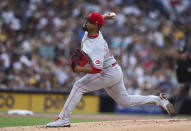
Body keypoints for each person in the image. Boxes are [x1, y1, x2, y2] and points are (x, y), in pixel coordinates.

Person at [46, 12, 174, 127]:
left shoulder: (96, 45)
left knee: (78, 86)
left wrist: (80, 68)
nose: (86, 22)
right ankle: (158, 100)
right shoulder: (91, 30)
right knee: (125, 101)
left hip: (107, 72)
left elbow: (97, 69)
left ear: (95, 26)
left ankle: (63, 119)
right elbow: (96, 21)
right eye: (87, 20)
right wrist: (104, 16)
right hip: (114, 70)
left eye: (89, 22)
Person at [174, 46, 191, 115]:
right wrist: (181, 83)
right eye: (180, 53)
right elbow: (178, 74)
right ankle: (173, 114)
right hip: (184, 83)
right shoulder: (179, 62)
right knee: (179, 98)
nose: (182, 55)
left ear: (186, 53)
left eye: (183, 53)